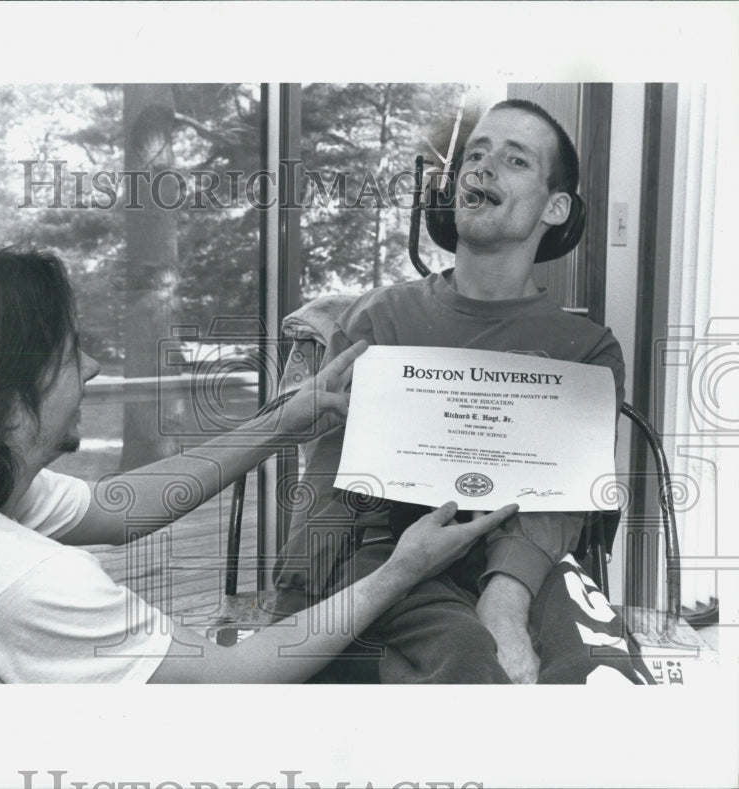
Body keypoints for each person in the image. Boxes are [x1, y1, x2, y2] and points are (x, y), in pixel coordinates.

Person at [0, 248, 516, 683]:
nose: (96, 368)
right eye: (72, 355)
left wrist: (284, 422)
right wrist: (404, 568)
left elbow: (120, 507)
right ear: (3, 405)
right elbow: (233, 679)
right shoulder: (14, 578)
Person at [272, 99, 653, 684]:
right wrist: (295, 604)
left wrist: (506, 598)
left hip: (530, 560)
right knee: (466, 662)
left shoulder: (588, 350)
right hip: (387, 552)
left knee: (594, 674)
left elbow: (563, 504)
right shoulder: (381, 318)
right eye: (475, 153)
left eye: (514, 159)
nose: (482, 167)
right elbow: (330, 479)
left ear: (556, 207)